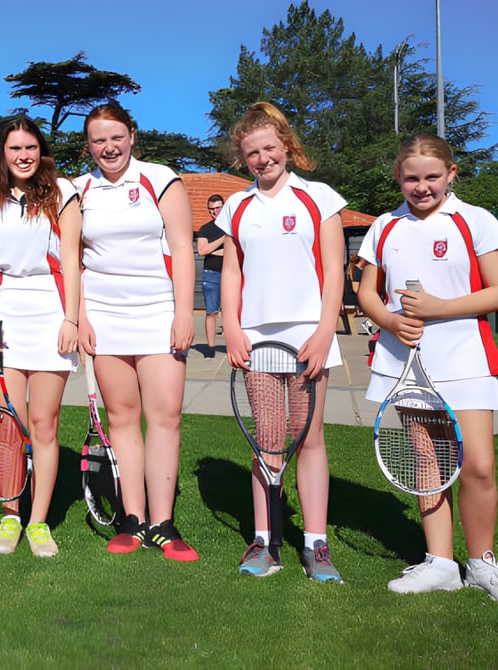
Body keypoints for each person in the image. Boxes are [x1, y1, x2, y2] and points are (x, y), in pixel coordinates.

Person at [357, 133, 498, 599]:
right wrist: (391, 322)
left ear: (451, 174)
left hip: (466, 358)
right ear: (398, 177)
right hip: (406, 362)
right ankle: (440, 563)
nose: (422, 187)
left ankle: (481, 564)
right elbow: (365, 293)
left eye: (432, 177)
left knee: (478, 465)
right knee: (428, 462)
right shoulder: (384, 226)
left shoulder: (474, 221)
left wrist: (439, 308)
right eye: (412, 178)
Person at [217, 101, 345, 582]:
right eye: (252, 153)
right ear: (242, 158)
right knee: (267, 440)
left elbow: (334, 270)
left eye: (269, 148)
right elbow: (232, 270)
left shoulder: (319, 198)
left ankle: (316, 544)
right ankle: (265, 541)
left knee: (309, 439)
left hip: (310, 336)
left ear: (287, 146)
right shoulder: (237, 205)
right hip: (255, 339)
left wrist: (324, 330)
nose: (262, 159)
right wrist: (231, 326)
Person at [74, 102, 199, 561]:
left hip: (158, 315)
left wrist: (183, 313)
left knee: (165, 418)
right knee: (122, 420)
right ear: (89, 147)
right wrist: (82, 316)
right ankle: (133, 519)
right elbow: (75, 260)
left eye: (116, 137)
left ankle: (164, 524)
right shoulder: (79, 189)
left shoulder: (159, 177)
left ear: (131, 135)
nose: (108, 147)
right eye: (98, 141)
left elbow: (184, 248)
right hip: (104, 320)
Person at [0, 117, 81, 557]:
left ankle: (38, 523)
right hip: (4, 320)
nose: (23, 156)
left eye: (31, 147)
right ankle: (11, 516)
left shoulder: (64, 193)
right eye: (14, 148)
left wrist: (71, 319)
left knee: (43, 424)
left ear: (42, 151)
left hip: (51, 316)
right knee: (8, 427)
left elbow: (72, 260)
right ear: (2, 153)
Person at [196, 194, 226, 356]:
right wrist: (223, 239)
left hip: (231, 275)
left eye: (217, 208)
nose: (214, 212)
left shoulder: (233, 226)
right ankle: (211, 348)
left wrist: (213, 250)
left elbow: (238, 251)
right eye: (211, 209)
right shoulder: (205, 229)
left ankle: (234, 346)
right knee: (211, 312)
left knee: (232, 312)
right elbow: (202, 250)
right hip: (211, 274)